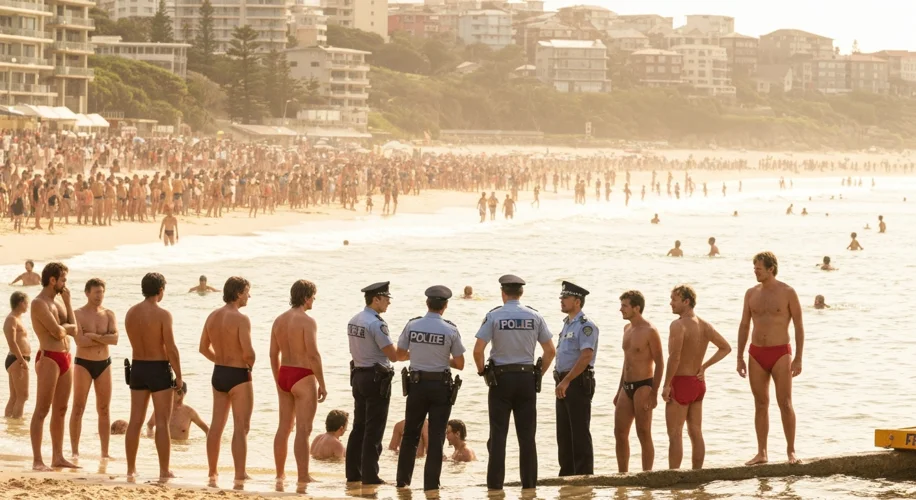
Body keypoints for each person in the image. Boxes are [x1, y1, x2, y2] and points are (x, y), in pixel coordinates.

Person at [474, 274, 555, 491]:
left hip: (500, 380)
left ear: (503, 293)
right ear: (521, 293)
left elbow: (478, 350)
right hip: (526, 378)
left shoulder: (494, 316)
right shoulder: (534, 316)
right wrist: (540, 373)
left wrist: (483, 372)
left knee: (498, 435)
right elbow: (550, 351)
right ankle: (529, 486)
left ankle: (495, 487)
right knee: (527, 436)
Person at [395, 285, 465, 492]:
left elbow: (399, 355)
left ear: (427, 304)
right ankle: (431, 485)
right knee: (436, 437)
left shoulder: (412, 325)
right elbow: (460, 363)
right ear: (445, 306)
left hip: (416, 386)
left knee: (410, 435)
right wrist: (443, 358)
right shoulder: (450, 329)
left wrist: (417, 355)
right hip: (440, 387)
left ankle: (402, 482)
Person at [737, 252, 804, 466]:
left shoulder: (788, 292)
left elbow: (799, 326)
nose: (755, 272)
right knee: (760, 404)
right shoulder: (750, 293)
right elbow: (744, 325)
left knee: (784, 402)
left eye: (758, 268)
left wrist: (799, 358)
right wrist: (739, 356)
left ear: (771, 269)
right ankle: (762, 453)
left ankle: (791, 451)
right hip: (756, 353)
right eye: (754, 268)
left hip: (781, 353)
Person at [662, 285, 731, 470]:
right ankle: (697, 475)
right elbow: (725, 347)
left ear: (686, 301)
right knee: (696, 432)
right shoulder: (705, 325)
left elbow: (674, 357)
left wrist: (666, 385)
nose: (671, 303)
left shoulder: (678, 325)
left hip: (681, 382)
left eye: (674, 299)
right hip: (697, 383)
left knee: (675, 434)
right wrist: (704, 367)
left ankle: (673, 476)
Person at [125, 272, 184, 480]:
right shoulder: (163, 314)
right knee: (161, 421)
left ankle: (131, 469)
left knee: (135, 421)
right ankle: (164, 470)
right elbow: (171, 348)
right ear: (160, 290)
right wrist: (179, 376)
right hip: (158, 368)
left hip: (138, 367)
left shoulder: (130, 313)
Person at [270, 279, 327, 483]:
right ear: (305, 297)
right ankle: (303, 476)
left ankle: (279, 474)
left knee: (283, 427)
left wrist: (278, 378)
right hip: (303, 375)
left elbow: (272, 354)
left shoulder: (279, 320)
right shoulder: (307, 321)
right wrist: (322, 383)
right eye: (312, 296)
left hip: (284, 373)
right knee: (304, 429)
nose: (314, 300)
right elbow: (313, 355)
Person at [199, 277, 255, 483]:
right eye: (247, 291)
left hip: (219, 373)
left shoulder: (212, 316)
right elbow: (248, 353)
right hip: (238, 375)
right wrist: (250, 364)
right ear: (238, 293)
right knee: (241, 426)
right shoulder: (241, 318)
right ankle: (240, 474)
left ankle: (212, 472)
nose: (249, 296)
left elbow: (203, 348)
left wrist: (221, 361)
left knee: (216, 425)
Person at [345, 281, 397, 485]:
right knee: (374, 429)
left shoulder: (354, 319)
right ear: (376, 299)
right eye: (386, 299)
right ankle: (370, 475)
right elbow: (392, 355)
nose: (388, 303)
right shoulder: (377, 323)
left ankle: (353, 473)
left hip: (358, 375)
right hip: (376, 378)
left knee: (359, 426)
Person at [30, 262, 79, 471]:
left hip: (66, 357)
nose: (65, 284)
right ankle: (37, 460)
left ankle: (57, 457)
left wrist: (68, 302)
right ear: (52, 280)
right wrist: (64, 328)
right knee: (42, 410)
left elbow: (74, 330)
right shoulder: (39, 303)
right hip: (49, 358)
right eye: (63, 280)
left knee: (61, 409)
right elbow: (56, 332)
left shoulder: (59, 302)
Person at [614, 290, 664, 473]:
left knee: (643, 432)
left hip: (644, 385)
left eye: (624, 306)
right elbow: (626, 362)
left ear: (636, 308)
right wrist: (619, 389)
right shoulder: (626, 329)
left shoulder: (650, 331)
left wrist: (654, 393)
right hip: (626, 387)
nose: (621, 310)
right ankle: (622, 475)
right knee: (619, 433)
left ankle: (646, 475)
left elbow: (660, 363)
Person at [554, 281, 598, 477]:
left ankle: (583, 477)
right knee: (563, 434)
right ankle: (566, 475)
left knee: (579, 432)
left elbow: (586, 355)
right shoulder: (567, 324)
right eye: (561, 297)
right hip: (563, 381)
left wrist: (567, 380)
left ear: (577, 301)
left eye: (566, 298)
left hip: (577, 381)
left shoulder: (585, 325)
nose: (561, 301)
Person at [71, 278, 119, 459]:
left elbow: (115, 340)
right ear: (87, 293)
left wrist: (93, 335)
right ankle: (75, 452)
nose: (100, 296)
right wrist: (102, 337)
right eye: (96, 292)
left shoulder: (109, 314)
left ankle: (105, 453)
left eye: (102, 292)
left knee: (104, 409)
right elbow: (80, 341)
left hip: (104, 364)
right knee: (78, 407)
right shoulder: (78, 314)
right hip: (83, 363)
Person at [4, 291, 30, 418]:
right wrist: (21, 360)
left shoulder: (16, 318)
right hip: (17, 359)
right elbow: (12, 342)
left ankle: (10, 427)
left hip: (16, 359)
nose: (28, 306)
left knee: (15, 396)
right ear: (21, 303)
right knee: (23, 396)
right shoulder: (11, 319)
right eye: (27, 303)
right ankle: (16, 423)